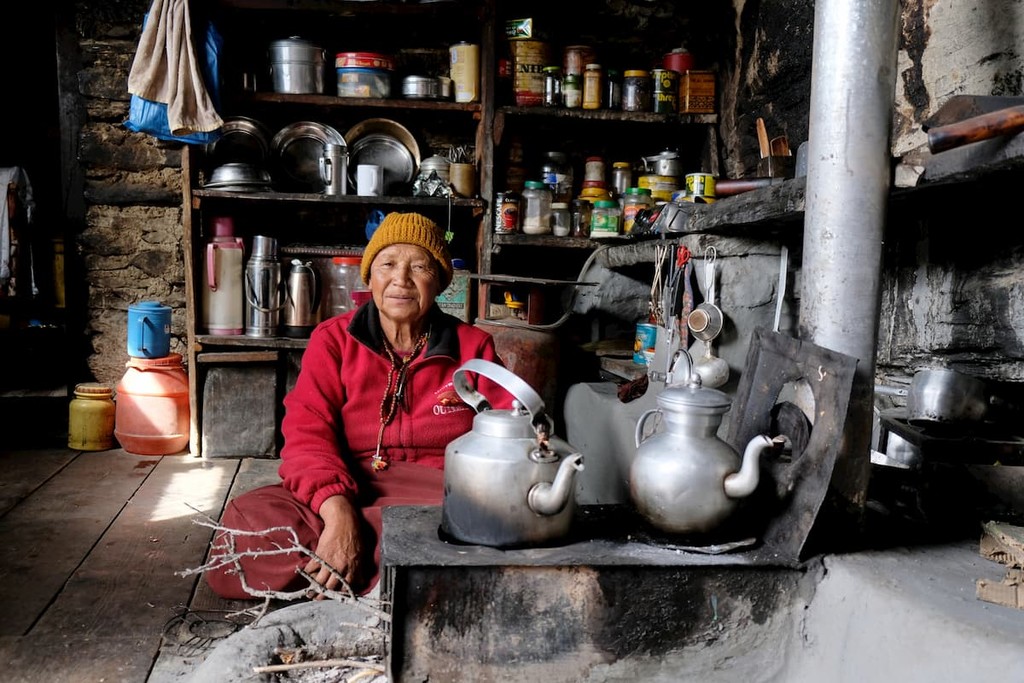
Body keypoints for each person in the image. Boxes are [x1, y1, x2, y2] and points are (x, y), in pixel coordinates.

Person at [205, 212, 514, 599]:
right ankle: (389, 575)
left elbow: (511, 432)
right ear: (370, 276)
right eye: (388, 264)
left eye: (418, 266)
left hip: (438, 497)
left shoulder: (473, 347)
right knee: (245, 531)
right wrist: (339, 514)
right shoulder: (332, 340)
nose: (401, 279)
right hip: (349, 485)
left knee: (461, 532)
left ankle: (356, 573)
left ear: (438, 282)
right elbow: (306, 432)